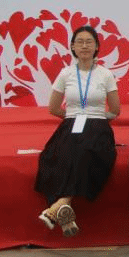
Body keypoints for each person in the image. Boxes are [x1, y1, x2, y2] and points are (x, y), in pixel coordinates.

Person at [35, 25, 120, 237]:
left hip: (98, 125)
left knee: (84, 151)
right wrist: (72, 116)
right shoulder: (65, 74)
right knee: (56, 156)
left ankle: (57, 206)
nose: (84, 46)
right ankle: (63, 210)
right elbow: (53, 108)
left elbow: (115, 109)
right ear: (72, 46)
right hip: (72, 122)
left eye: (89, 42)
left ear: (97, 46)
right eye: (79, 42)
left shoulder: (105, 74)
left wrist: (98, 119)